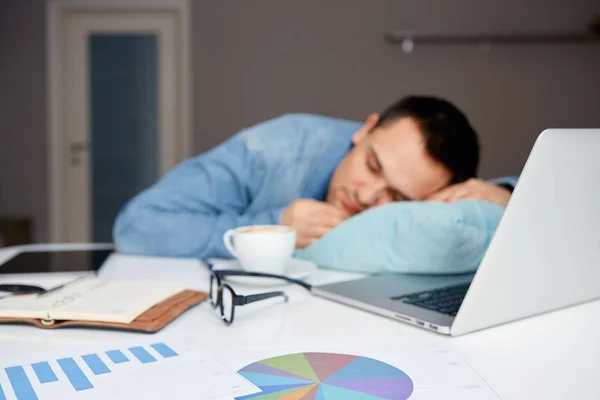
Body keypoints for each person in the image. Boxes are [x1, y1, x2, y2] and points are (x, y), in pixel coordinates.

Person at [113, 95, 517, 259]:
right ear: (366, 129)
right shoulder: (277, 149)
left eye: (398, 197)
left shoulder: (443, 197)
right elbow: (137, 225)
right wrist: (272, 227)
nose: (366, 195)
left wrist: (508, 197)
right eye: (373, 165)